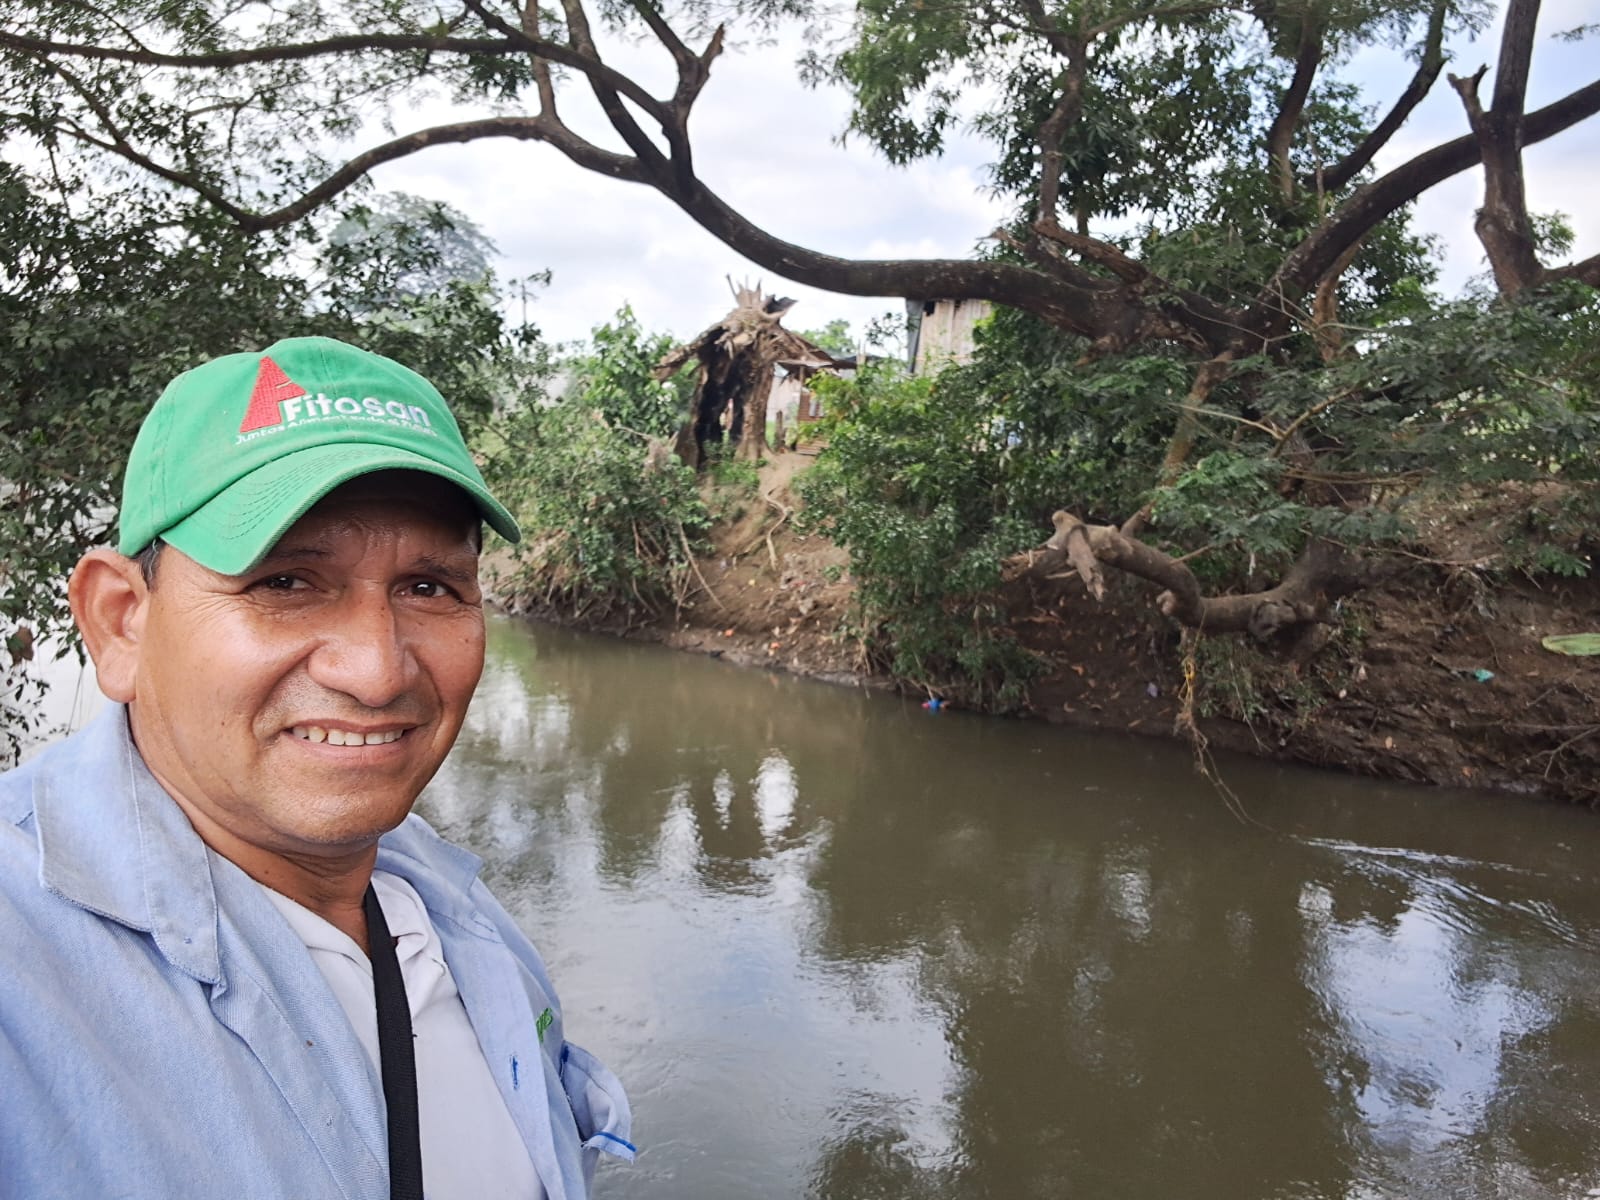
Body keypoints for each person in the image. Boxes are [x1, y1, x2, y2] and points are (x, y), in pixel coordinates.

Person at [0, 336, 633, 1199]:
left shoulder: (450, 907)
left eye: (428, 588)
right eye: (285, 583)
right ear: (121, 622)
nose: (377, 672)